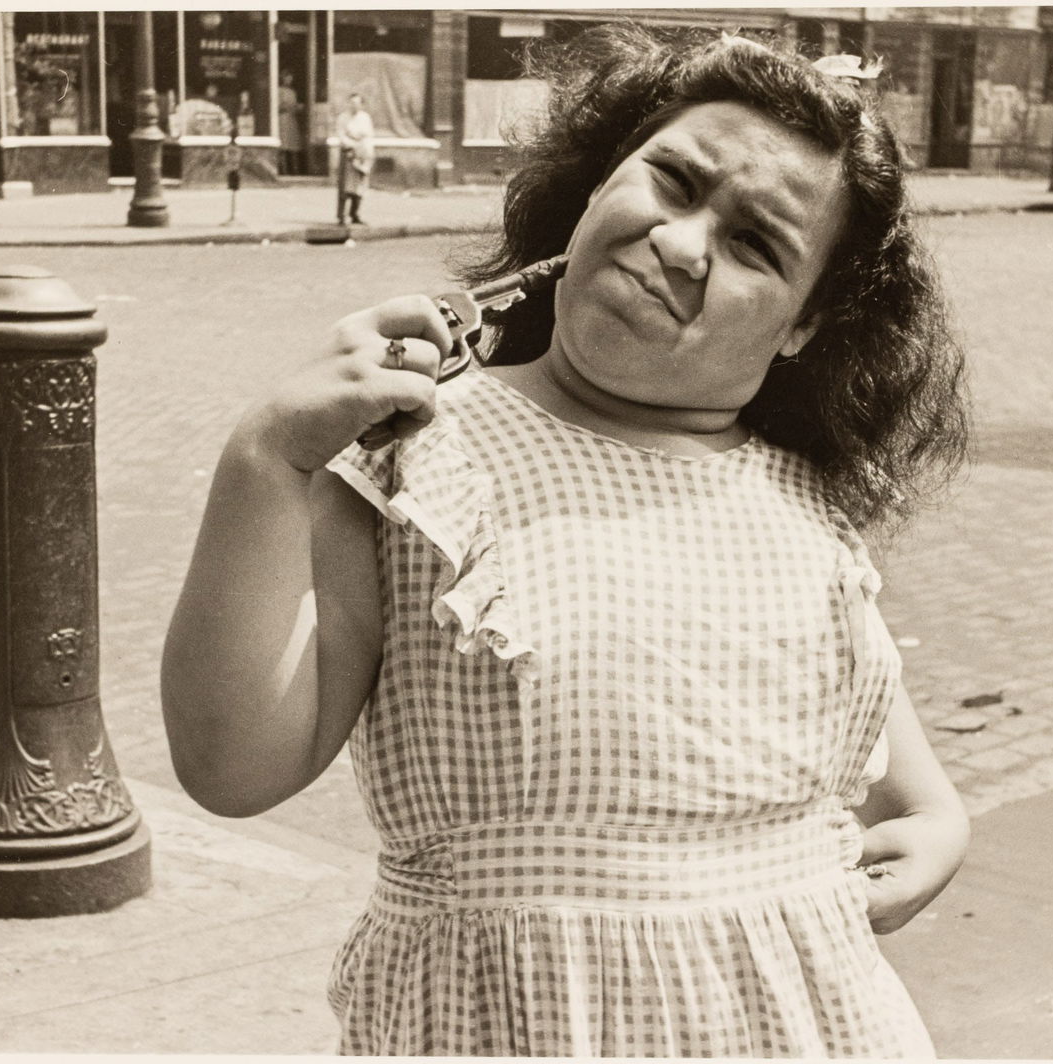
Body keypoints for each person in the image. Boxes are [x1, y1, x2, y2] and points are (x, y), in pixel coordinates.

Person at [163, 24, 970, 1057]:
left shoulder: (799, 497)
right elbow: (231, 763)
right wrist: (267, 459)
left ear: (806, 324)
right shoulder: (423, 453)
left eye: (755, 245)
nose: (682, 243)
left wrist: (939, 821)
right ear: (594, 188)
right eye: (671, 181)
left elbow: (885, 747)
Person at [334, 92, 373, 224]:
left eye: (357, 103)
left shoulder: (365, 118)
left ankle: (355, 213)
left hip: (362, 153)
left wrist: (365, 152)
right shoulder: (342, 118)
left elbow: (368, 135)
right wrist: (352, 144)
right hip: (348, 153)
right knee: (345, 186)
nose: (354, 106)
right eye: (351, 103)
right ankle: (341, 216)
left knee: (359, 186)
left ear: (362, 105)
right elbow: (341, 135)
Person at [277, 71, 304, 175]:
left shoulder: (293, 92)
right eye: (287, 77)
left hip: (292, 120)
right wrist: (289, 107)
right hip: (283, 119)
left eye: (291, 78)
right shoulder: (279, 90)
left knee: (293, 146)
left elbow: (294, 105)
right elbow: (278, 106)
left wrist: (297, 107)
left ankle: (295, 171)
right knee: (283, 146)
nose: (289, 80)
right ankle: (284, 171)